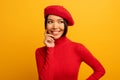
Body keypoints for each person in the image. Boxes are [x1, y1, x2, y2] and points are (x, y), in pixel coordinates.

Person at [35, 5, 105, 80]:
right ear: (46, 25)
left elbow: (100, 70)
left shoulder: (77, 48)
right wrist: (50, 48)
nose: (55, 26)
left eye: (60, 22)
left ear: (65, 25)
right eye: (50, 22)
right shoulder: (40, 52)